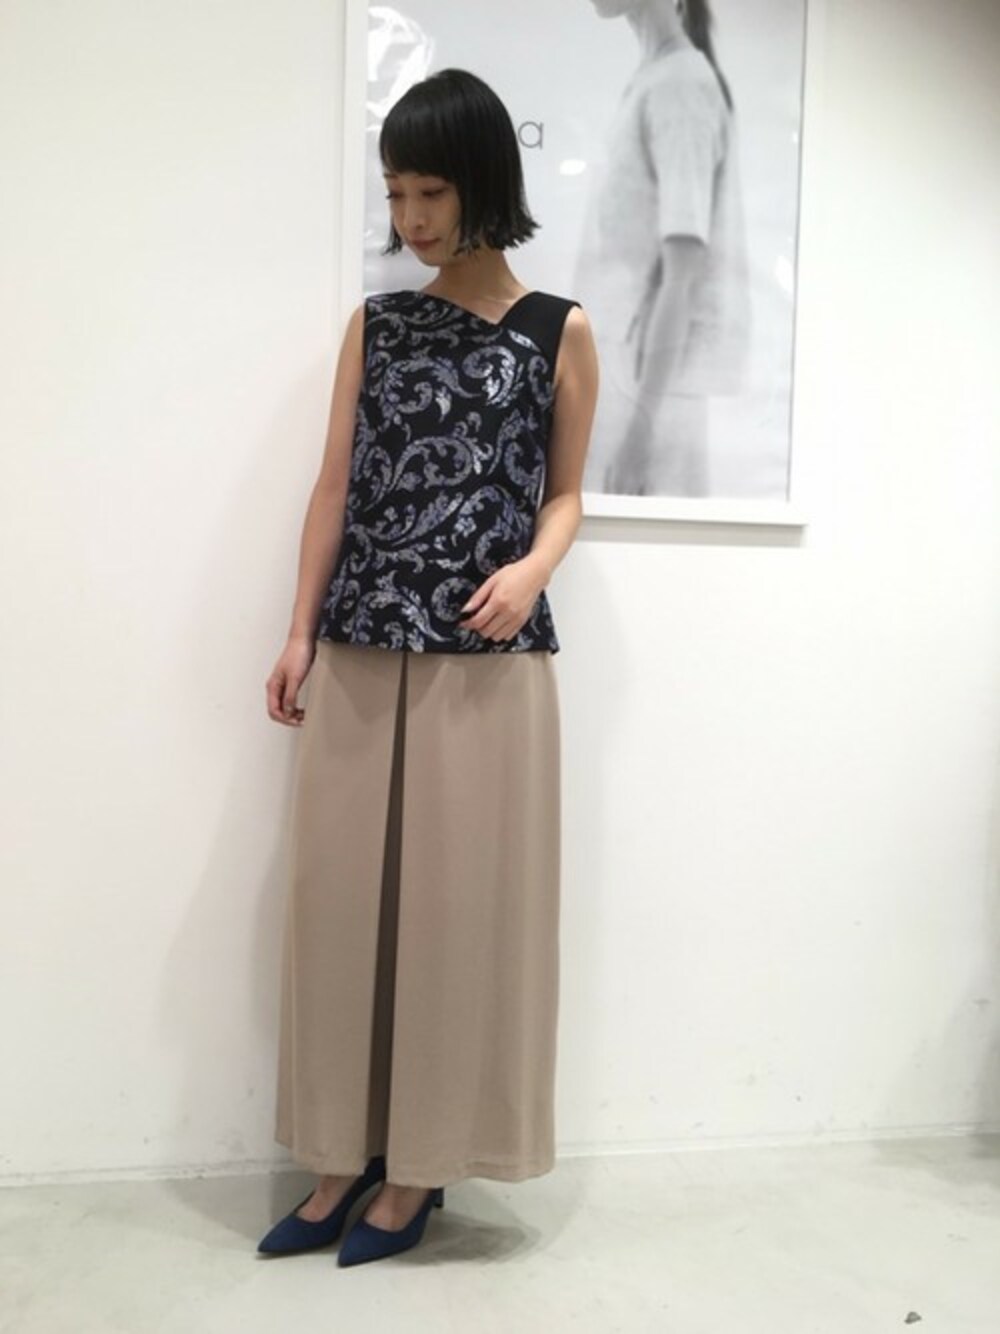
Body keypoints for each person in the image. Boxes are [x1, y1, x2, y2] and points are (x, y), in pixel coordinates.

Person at [257, 68, 598, 1267]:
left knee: (458, 920)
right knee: (340, 910)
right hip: (362, 645)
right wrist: (298, 630)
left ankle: (417, 1173)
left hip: (487, 663)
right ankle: (335, 1159)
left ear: (484, 184)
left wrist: (533, 570)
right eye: (396, 191)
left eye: (431, 191)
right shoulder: (378, 323)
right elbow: (334, 487)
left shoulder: (559, 329)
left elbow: (566, 493)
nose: (409, 217)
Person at [574, 0, 749, 497]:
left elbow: (684, 274)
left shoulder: (680, 85)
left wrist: (642, 429)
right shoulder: (655, 78)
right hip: (628, 384)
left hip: (652, 399)